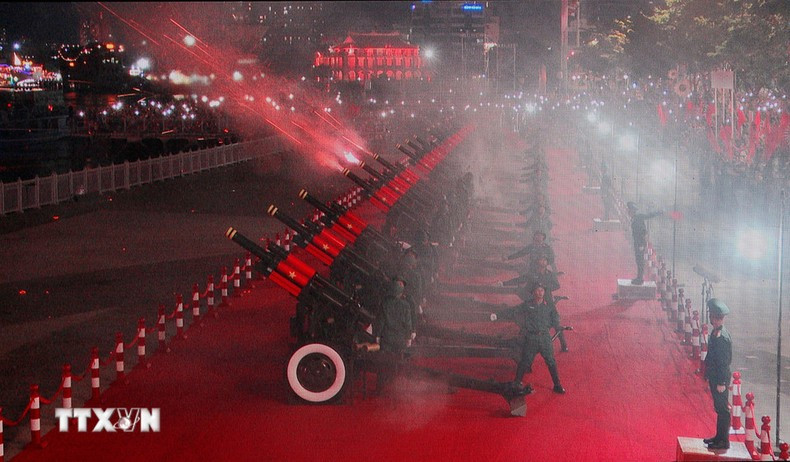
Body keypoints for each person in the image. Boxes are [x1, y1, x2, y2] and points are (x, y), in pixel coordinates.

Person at [505, 284, 566, 394]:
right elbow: (514, 311)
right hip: (531, 338)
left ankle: (557, 385)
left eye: (542, 290)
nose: (540, 292)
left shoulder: (549, 305)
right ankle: (517, 382)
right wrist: (497, 315)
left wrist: (552, 324)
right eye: (538, 290)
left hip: (544, 337)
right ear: (533, 292)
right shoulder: (527, 305)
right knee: (525, 361)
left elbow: (556, 317)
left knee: (551, 361)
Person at [703, 298, 732, 450]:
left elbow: (723, 362)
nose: (711, 318)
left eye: (712, 316)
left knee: (722, 409)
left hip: (720, 377)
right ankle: (719, 436)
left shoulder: (722, 338)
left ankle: (723, 440)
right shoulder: (716, 333)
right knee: (718, 407)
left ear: (715, 317)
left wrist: (721, 382)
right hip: (715, 375)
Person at [627, 202, 662, 285]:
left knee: (640, 261)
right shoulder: (635, 218)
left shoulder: (638, 218)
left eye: (629, 210)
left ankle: (640, 279)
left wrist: (642, 244)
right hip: (637, 243)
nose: (628, 212)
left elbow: (643, 231)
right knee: (638, 261)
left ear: (632, 211)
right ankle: (639, 277)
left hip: (640, 244)